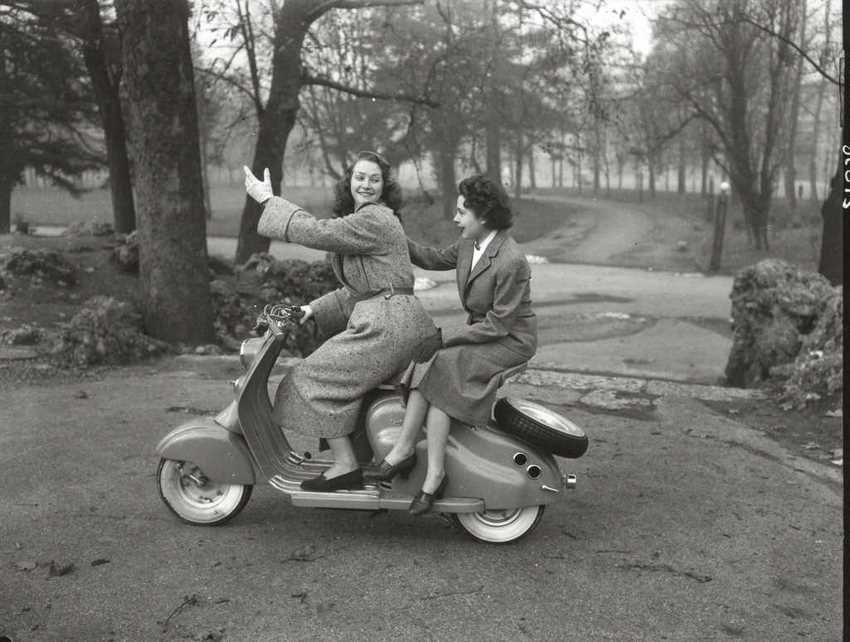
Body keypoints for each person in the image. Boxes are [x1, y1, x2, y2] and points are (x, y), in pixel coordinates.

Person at [243, 151, 437, 492]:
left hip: (387, 326)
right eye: (360, 177)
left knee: (307, 378)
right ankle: (351, 458)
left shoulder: (374, 218)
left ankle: (345, 465)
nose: (366, 184)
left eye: (374, 179)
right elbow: (361, 290)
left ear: (383, 186)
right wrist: (311, 310)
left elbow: (317, 232)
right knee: (332, 379)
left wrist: (269, 201)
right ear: (349, 181)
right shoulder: (370, 220)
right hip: (395, 320)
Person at [369, 174, 537, 515]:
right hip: (484, 333)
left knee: (442, 363)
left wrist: (444, 337)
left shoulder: (510, 260)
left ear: (484, 217)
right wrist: (393, 233)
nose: (455, 218)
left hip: (510, 340)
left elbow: (499, 324)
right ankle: (406, 453)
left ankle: (431, 473)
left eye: (462, 213)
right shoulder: (468, 246)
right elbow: (430, 259)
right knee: (427, 360)